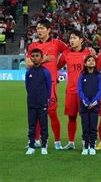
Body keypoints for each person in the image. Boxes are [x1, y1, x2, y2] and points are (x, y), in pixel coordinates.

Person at [26, 19, 68, 150]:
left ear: (49, 30)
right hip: (35, 84)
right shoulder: (33, 46)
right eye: (37, 28)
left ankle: (57, 141)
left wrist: (57, 66)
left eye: (42, 28)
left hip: (50, 84)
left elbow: (69, 53)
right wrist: (45, 59)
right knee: (36, 112)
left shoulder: (57, 43)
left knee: (51, 112)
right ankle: (36, 140)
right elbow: (28, 64)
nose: (39, 31)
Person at [57, 30, 92, 150]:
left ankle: (85, 142)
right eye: (70, 38)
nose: (71, 40)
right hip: (71, 90)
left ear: (81, 40)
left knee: (85, 117)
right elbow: (56, 66)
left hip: (85, 91)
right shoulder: (66, 53)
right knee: (71, 117)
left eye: (74, 38)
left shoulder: (88, 53)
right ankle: (71, 142)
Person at [25, 48, 52, 155]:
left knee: (43, 125)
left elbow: (49, 87)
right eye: (33, 56)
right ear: (30, 57)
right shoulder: (29, 72)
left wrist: (47, 99)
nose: (35, 58)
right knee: (31, 125)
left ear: (41, 58)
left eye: (37, 56)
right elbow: (27, 86)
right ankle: (31, 145)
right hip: (31, 102)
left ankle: (44, 145)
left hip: (42, 102)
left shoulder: (45, 71)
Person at [77, 55, 101, 155]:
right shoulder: (82, 75)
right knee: (85, 126)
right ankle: (85, 146)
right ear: (85, 63)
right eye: (89, 60)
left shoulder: (99, 75)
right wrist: (85, 101)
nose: (91, 62)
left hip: (95, 105)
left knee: (93, 126)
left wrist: (95, 101)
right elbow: (79, 89)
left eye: (93, 60)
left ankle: (92, 146)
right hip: (84, 105)